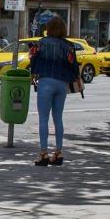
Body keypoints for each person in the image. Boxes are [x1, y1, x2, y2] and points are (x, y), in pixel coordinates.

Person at [29, 16, 80, 166]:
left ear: (48, 29)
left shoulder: (41, 43)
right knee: (58, 118)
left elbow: (34, 59)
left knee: (43, 119)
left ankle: (43, 153)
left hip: (46, 82)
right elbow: (74, 66)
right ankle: (58, 152)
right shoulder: (68, 46)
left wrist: (34, 73)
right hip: (61, 84)